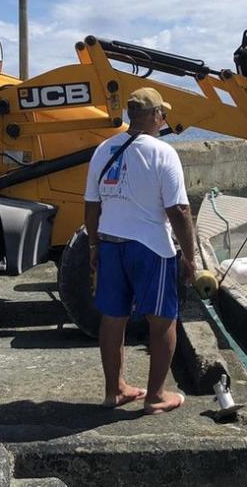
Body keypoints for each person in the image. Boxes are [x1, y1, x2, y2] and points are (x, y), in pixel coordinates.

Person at [84, 87, 196, 415]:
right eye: (162, 113)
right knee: (162, 321)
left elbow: (91, 204)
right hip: (151, 249)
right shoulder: (163, 153)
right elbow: (179, 211)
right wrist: (189, 257)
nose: (164, 119)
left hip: (110, 243)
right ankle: (156, 397)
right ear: (152, 116)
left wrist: (93, 244)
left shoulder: (104, 150)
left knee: (112, 318)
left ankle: (114, 391)